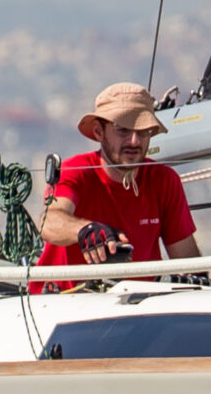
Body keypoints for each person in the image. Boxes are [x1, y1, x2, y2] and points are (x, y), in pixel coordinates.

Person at [36, 82, 201, 275]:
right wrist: (85, 231)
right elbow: (49, 222)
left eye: (143, 131)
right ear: (99, 131)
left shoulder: (164, 181)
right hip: (62, 301)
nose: (134, 141)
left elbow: (188, 262)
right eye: (123, 130)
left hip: (139, 302)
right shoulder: (75, 171)